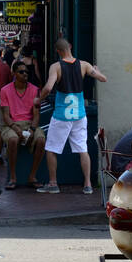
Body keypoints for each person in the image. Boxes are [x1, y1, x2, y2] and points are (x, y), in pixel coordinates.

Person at [38, 38, 107, 195]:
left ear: (58, 51)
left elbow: (48, 88)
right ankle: (88, 184)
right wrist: (96, 69)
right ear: (70, 47)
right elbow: (103, 78)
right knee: (82, 149)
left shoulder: (56, 67)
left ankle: (53, 183)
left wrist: (38, 99)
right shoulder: (84, 65)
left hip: (61, 115)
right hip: (79, 114)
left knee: (51, 149)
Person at [0, 59, 47, 189]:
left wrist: (32, 129)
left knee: (41, 139)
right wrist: (16, 128)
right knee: (13, 139)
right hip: (12, 124)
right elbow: (5, 116)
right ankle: (13, 177)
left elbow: (37, 115)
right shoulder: (5, 90)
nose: (25, 74)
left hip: (29, 123)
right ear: (14, 73)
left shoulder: (35, 90)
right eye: (21, 72)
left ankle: (32, 176)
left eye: (27, 71)